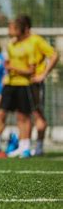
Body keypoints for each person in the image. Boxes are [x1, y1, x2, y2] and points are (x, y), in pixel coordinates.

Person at [0, 18, 36, 158]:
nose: (9, 31)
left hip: (23, 84)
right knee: (1, 114)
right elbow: (7, 67)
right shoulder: (10, 45)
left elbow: (31, 70)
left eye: (12, 28)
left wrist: (14, 67)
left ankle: (24, 147)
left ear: (20, 30)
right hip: (9, 84)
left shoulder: (29, 46)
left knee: (23, 116)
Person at [20, 15, 59, 156]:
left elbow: (54, 55)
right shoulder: (20, 42)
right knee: (24, 115)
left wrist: (43, 74)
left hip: (35, 84)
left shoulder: (36, 40)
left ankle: (39, 146)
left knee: (38, 114)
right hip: (22, 84)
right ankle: (25, 147)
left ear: (24, 28)